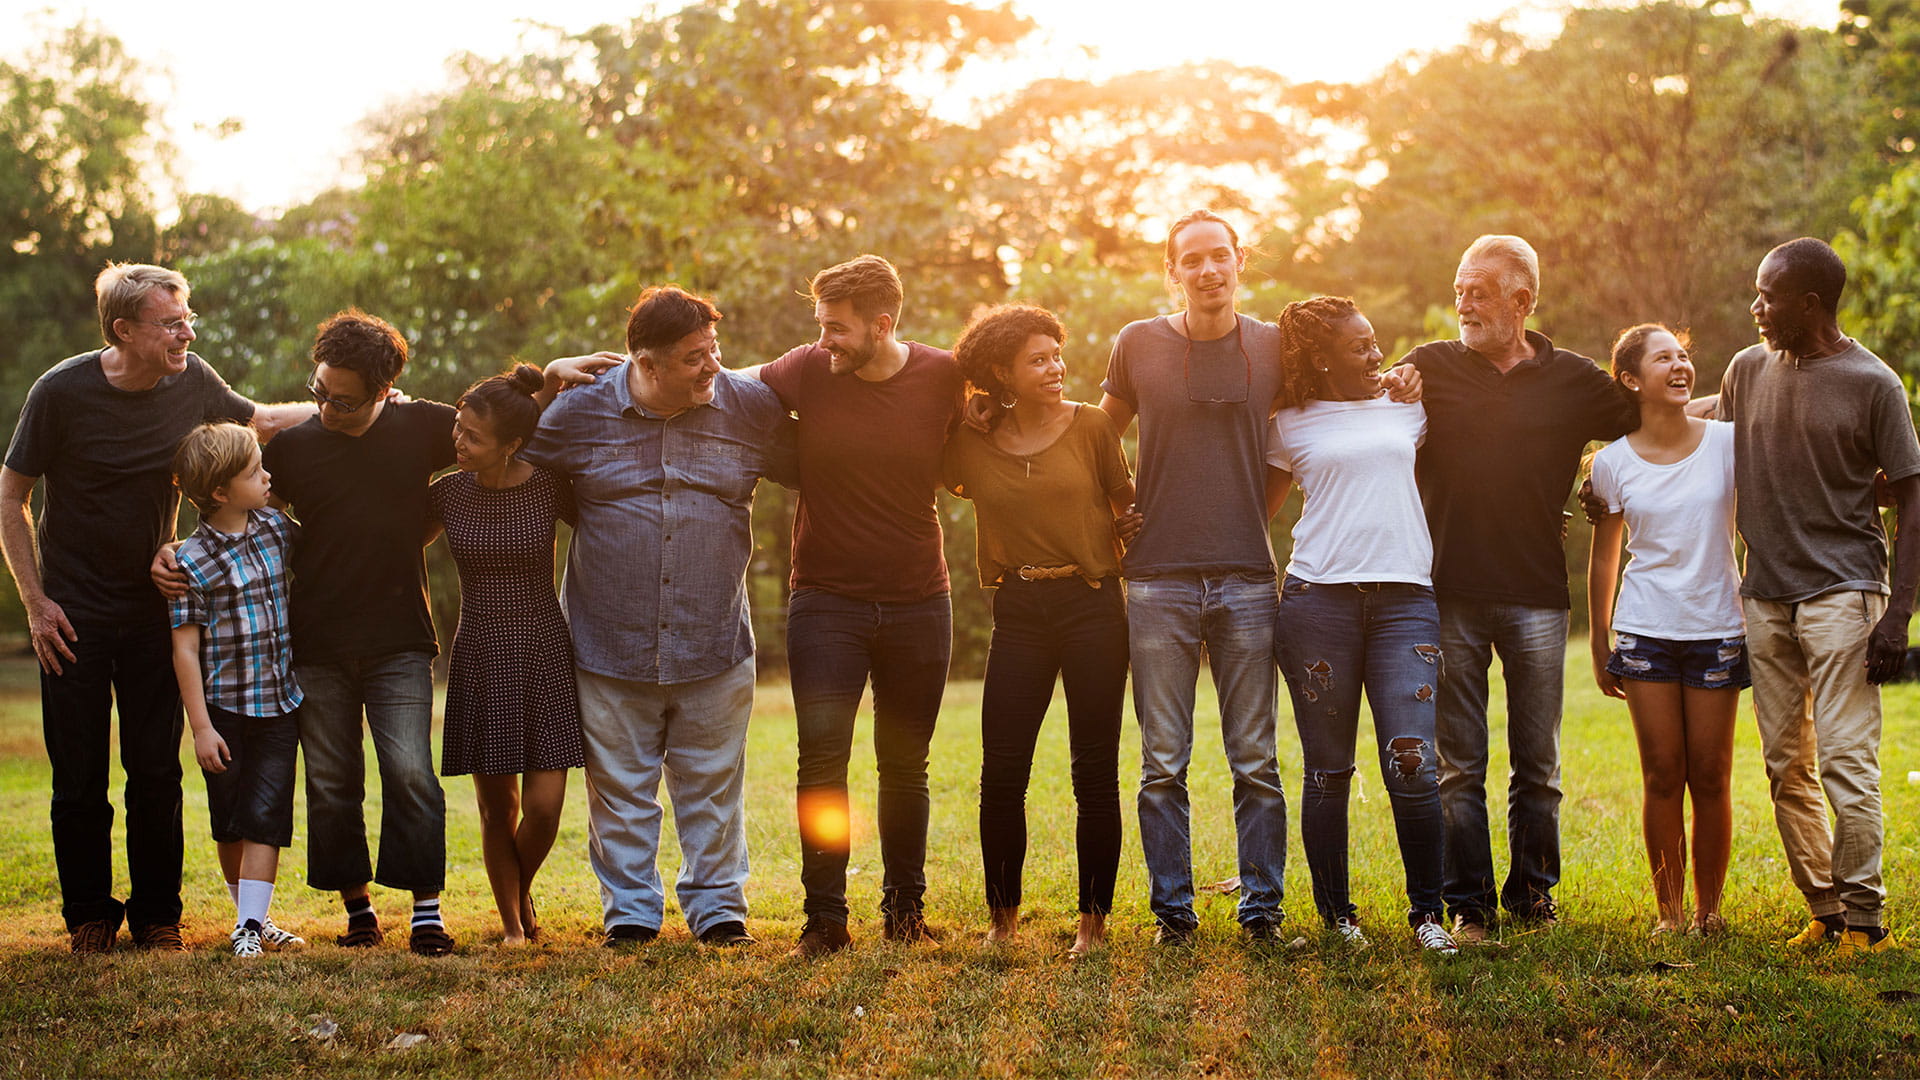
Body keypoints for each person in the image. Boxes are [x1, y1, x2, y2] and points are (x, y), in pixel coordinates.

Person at [1, 263, 310, 954]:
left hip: (155, 607)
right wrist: (35, 602)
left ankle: (156, 916)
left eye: (187, 317)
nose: (187, 332)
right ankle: (87, 913)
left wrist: (362, 407)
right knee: (78, 773)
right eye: (171, 323)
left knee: (156, 771)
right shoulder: (60, 392)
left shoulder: (191, 378)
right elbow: (10, 494)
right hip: (72, 616)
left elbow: (259, 421)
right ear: (124, 330)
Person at [161, 310, 460, 956]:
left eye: (342, 400)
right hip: (316, 642)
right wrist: (170, 552)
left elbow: (498, 436)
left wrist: (547, 381)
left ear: (384, 391)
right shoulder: (293, 450)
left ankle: (427, 911)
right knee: (331, 778)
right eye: (317, 390)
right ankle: (359, 908)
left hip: (400, 636)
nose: (323, 408)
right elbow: (228, 505)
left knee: (409, 768)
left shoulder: (425, 427)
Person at [522, 286, 796, 949]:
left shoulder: (749, 406)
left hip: (714, 640)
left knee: (711, 788)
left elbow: (828, 462)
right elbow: (503, 458)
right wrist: (541, 385)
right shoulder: (576, 414)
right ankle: (632, 915)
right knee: (619, 792)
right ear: (643, 361)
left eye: (713, 350)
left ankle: (719, 909)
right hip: (607, 644)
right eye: (692, 358)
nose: (711, 367)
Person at [1407, 234, 1638, 943]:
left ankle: (1533, 896)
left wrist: (1603, 481)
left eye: (1479, 290)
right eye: (1459, 289)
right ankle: (1470, 905)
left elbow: (1648, 422)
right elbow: (1360, 413)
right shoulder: (1430, 368)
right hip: (1449, 592)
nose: (1463, 302)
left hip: (1537, 593)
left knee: (1539, 762)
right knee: (1459, 764)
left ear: (1522, 301)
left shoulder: (1572, 378)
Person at [754, 256, 964, 957]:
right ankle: (825, 921)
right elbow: (723, 388)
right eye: (819, 326)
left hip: (918, 602)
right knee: (822, 764)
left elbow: (992, 429)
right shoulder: (808, 369)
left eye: (837, 328)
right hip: (826, 604)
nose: (825, 340)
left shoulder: (942, 376)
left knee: (906, 766)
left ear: (883, 324)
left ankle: (906, 913)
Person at [1717, 238, 1920, 954]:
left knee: (1844, 759)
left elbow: (1912, 502)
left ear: (1809, 304)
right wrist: (1603, 466)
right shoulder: (1747, 369)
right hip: (1765, 593)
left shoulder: (1875, 384)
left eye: (1767, 296)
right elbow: (1693, 442)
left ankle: (1865, 920)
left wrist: (1898, 615)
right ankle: (1825, 907)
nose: (1755, 308)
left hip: (1845, 592)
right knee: (1784, 763)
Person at [1266, 297, 1457, 955]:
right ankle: (1337, 919)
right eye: (1360, 347)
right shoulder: (1287, 423)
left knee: (1413, 762)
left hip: (1407, 601)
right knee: (1329, 770)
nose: (1376, 355)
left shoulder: (1411, 408)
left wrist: (1415, 376)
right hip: (1319, 604)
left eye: (1377, 343)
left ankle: (1428, 915)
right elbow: (1256, 514)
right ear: (1321, 359)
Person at [943, 304, 1132, 957]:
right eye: (1038, 359)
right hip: (1019, 607)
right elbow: (925, 408)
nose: (1055, 368)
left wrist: (1127, 537)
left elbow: (1126, 506)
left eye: (1057, 355)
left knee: (1094, 771)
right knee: (1001, 771)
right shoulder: (969, 440)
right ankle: (1002, 917)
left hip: (1091, 603)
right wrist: (968, 404)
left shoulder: (1094, 426)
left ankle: (1093, 922)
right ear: (1002, 371)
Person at [1586, 324, 1744, 936]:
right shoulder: (1611, 462)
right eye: (1663, 359)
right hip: (1645, 631)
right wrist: (1601, 643)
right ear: (1631, 379)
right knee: (1661, 773)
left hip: (1717, 627)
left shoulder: (1728, 443)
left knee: (1710, 774)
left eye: (1684, 355)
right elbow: (1605, 557)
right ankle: (1670, 915)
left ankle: (1709, 913)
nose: (1680, 366)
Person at [427, 365, 584, 945]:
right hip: (482, 651)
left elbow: (609, 523)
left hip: (544, 647)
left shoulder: (549, 484)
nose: (459, 443)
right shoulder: (446, 493)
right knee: (499, 809)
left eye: (472, 436)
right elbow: (382, 538)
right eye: (458, 430)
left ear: (512, 444)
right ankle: (515, 926)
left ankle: (520, 892)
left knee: (544, 807)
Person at [167, 422, 307, 957]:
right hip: (223, 709)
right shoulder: (190, 562)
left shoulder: (275, 527)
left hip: (279, 704)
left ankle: (250, 925)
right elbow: (184, 649)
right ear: (221, 492)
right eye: (255, 472)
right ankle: (249, 916)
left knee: (267, 813)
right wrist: (200, 728)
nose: (267, 476)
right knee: (229, 819)